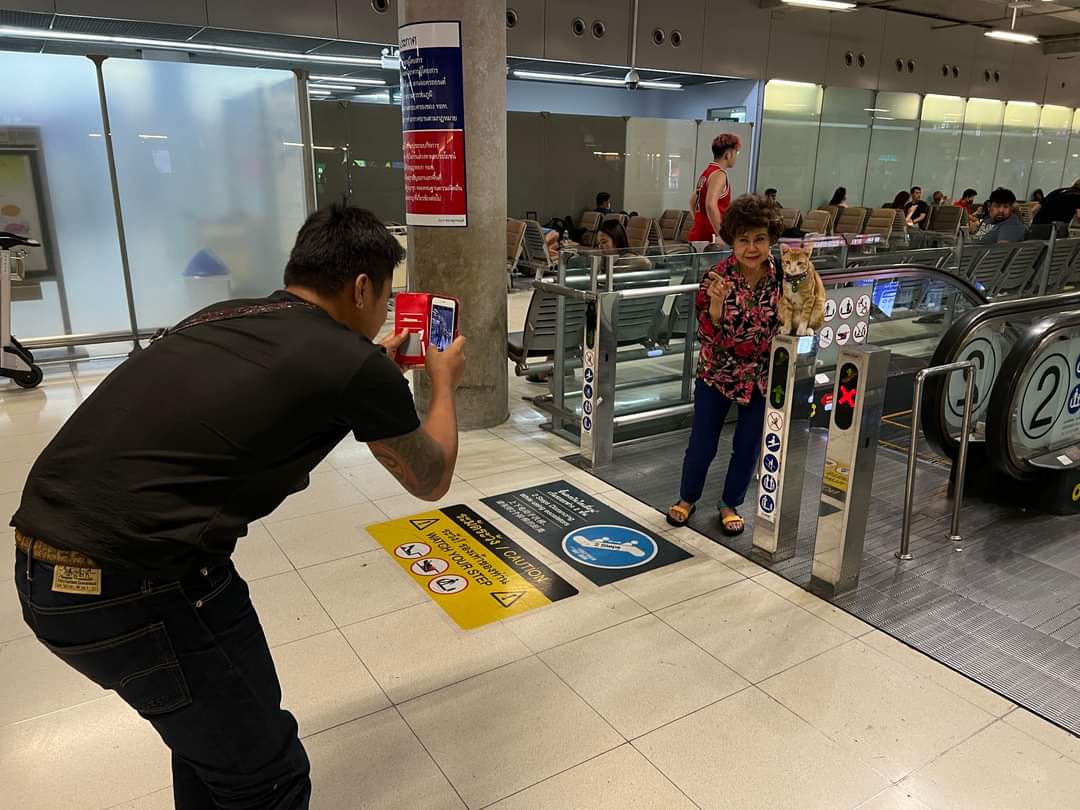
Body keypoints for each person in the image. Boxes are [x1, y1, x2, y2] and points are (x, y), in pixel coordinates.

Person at [9, 205, 466, 809]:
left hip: (54, 563)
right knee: (265, 778)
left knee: (215, 747)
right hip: (133, 584)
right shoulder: (350, 363)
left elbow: (288, 378)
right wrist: (444, 382)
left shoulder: (224, 315)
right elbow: (429, 477)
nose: (384, 311)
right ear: (362, 287)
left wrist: (367, 367)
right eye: (385, 296)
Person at [666, 195, 783, 536]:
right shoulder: (716, 277)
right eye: (743, 239)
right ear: (732, 240)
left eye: (759, 239)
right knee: (703, 443)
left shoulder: (784, 279)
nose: (751, 247)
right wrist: (717, 309)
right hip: (717, 374)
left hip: (762, 378)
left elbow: (795, 320)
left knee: (747, 446)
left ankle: (730, 504)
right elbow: (707, 331)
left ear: (771, 239)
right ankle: (687, 498)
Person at [687, 133, 741, 243]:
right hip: (711, 238)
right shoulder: (719, 174)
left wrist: (700, 222)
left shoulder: (707, 172)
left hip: (698, 233)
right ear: (728, 154)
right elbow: (710, 205)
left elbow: (692, 201)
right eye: (736, 152)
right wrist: (722, 234)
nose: (736, 156)